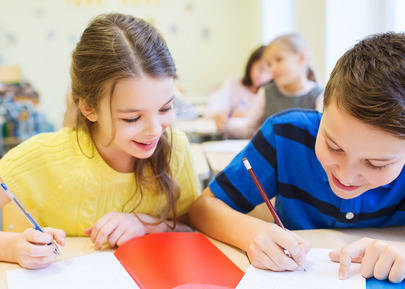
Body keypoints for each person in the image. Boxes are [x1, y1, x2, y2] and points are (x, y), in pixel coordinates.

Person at [189, 32, 405, 283]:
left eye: (376, 163)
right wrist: (252, 233)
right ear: (322, 107)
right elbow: (202, 208)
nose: (346, 175)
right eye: (334, 147)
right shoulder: (286, 135)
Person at [0, 13, 200, 269]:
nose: (154, 131)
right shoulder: (41, 156)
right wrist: (13, 247)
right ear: (88, 108)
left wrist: (146, 225)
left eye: (165, 109)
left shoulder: (175, 148)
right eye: (132, 118)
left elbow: (193, 229)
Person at [225, 33, 323, 139]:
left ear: (301, 58)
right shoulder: (266, 92)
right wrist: (226, 125)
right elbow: (248, 129)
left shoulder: (319, 96)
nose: (272, 68)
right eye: (269, 64)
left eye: (279, 60)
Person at [204, 45, 272, 134]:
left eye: (268, 72)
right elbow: (212, 110)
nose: (262, 76)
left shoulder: (270, 92)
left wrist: (235, 113)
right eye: (260, 69)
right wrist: (219, 115)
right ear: (251, 65)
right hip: (230, 137)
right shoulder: (233, 83)